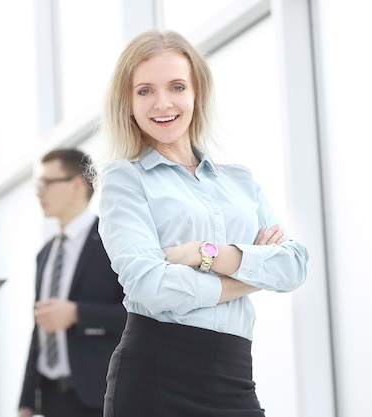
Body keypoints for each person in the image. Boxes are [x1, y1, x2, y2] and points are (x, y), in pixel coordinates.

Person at [96, 29, 310, 417]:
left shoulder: (239, 181)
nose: (163, 103)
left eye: (177, 86)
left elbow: (294, 266)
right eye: (144, 90)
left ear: (197, 93)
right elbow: (149, 286)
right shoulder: (125, 179)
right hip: (155, 374)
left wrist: (204, 254)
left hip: (234, 373)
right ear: (127, 102)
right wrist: (252, 275)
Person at [18, 149, 127, 417]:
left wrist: (77, 314)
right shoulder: (45, 254)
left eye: (46, 183)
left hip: (98, 397)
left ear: (76, 184)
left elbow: (136, 314)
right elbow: (39, 329)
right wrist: (26, 402)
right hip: (53, 399)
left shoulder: (112, 242)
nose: (38, 192)